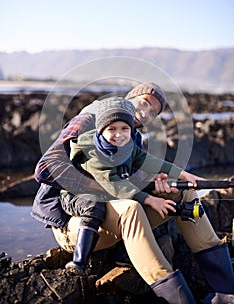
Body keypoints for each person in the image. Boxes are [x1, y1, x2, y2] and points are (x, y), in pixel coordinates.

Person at [32, 82, 234, 303]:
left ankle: (226, 293)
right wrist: (109, 188)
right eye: (144, 102)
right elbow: (46, 167)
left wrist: (167, 180)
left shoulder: (131, 135)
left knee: (184, 193)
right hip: (77, 223)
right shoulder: (90, 119)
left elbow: (137, 174)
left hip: (113, 217)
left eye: (154, 112)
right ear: (129, 98)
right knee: (131, 207)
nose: (146, 113)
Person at [65, 96, 184, 275]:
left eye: (124, 129)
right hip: (78, 195)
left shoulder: (128, 145)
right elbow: (115, 184)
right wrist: (151, 199)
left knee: (145, 197)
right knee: (95, 205)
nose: (119, 134)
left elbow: (148, 160)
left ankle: (126, 250)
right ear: (100, 130)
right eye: (111, 129)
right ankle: (79, 261)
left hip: (108, 194)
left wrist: (183, 175)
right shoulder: (91, 150)